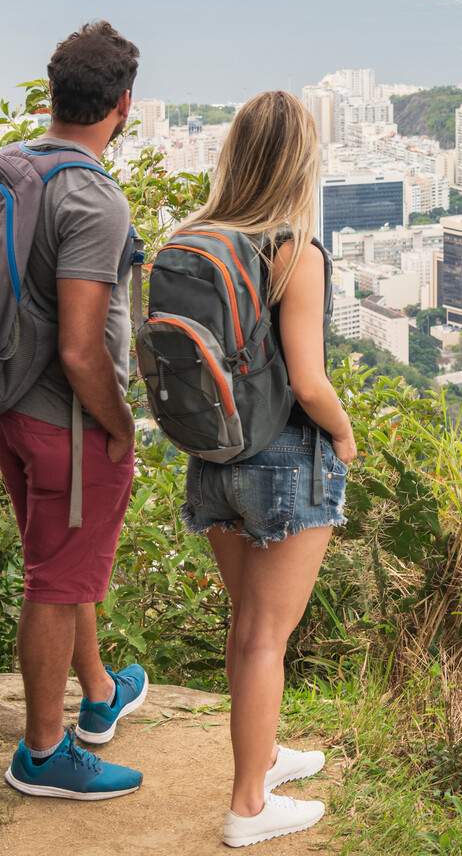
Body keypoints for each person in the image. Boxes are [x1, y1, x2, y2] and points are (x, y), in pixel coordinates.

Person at [175, 90, 356, 848]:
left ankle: (267, 756)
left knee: (248, 627)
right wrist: (344, 437)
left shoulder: (191, 238)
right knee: (265, 638)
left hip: (212, 456)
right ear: (299, 164)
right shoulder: (293, 249)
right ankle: (249, 806)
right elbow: (308, 381)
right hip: (283, 460)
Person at [0, 21, 149, 800]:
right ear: (124, 105)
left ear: (56, 95)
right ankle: (44, 754)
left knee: (62, 559)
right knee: (56, 582)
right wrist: (120, 424)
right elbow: (85, 352)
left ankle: (98, 693)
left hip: (7, 405)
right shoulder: (93, 198)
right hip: (66, 422)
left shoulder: (15, 166)